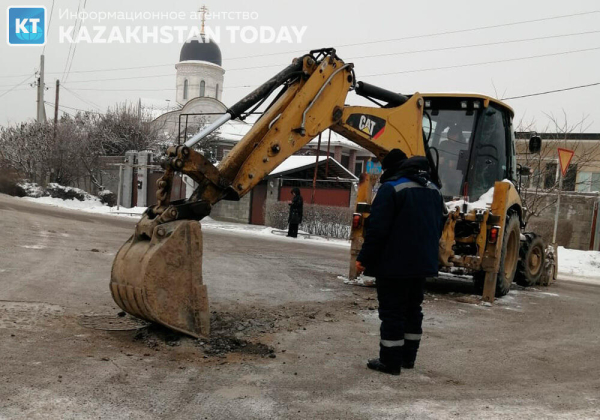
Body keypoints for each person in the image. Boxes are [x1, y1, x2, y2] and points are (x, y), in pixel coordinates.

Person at [356, 149, 444, 376]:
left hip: (394, 265)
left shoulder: (391, 188)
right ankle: (407, 358)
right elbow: (439, 224)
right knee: (413, 310)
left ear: (391, 168)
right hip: (422, 264)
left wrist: (364, 259)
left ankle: (390, 362)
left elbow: (377, 230)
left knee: (393, 312)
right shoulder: (433, 189)